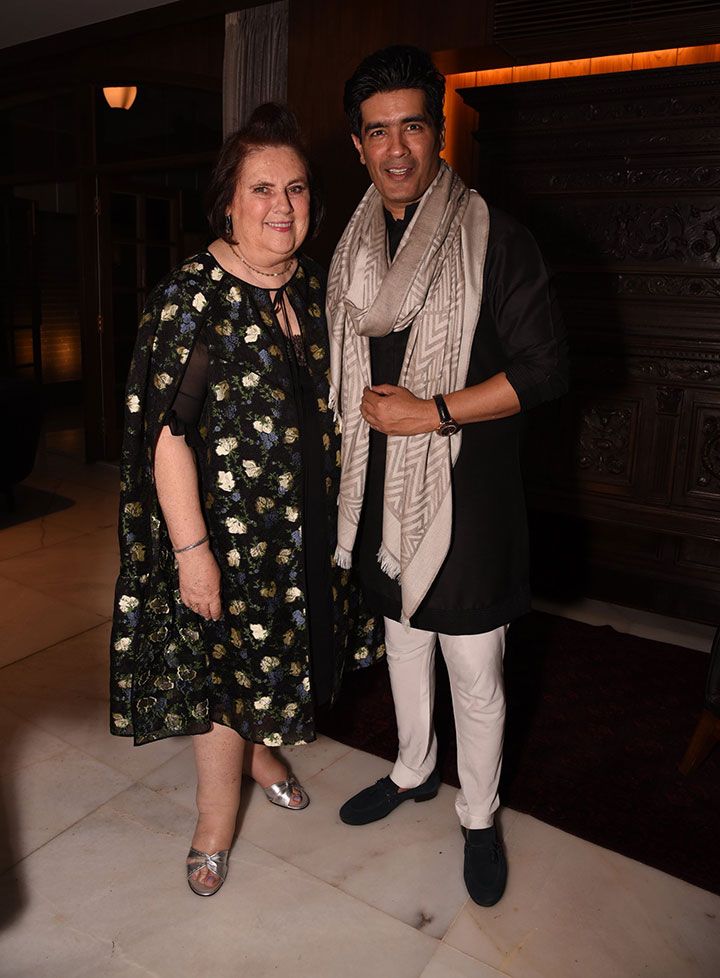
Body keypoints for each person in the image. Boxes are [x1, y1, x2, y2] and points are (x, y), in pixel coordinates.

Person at [110, 103, 381, 898]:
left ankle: (262, 753)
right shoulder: (196, 299)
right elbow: (167, 439)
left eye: (295, 189)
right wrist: (194, 559)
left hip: (300, 543)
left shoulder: (315, 289)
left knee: (272, 676)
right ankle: (214, 821)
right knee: (227, 684)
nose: (281, 208)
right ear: (228, 200)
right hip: (225, 546)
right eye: (261, 188)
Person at [328, 46, 568, 907]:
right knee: (401, 641)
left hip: (470, 500)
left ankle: (477, 814)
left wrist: (429, 411)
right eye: (377, 131)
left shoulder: (496, 237)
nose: (397, 149)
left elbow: (542, 372)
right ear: (358, 146)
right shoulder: (349, 250)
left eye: (413, 127)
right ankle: (412, 769)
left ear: (439, 132)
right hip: (380, 494)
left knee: (474, 669)